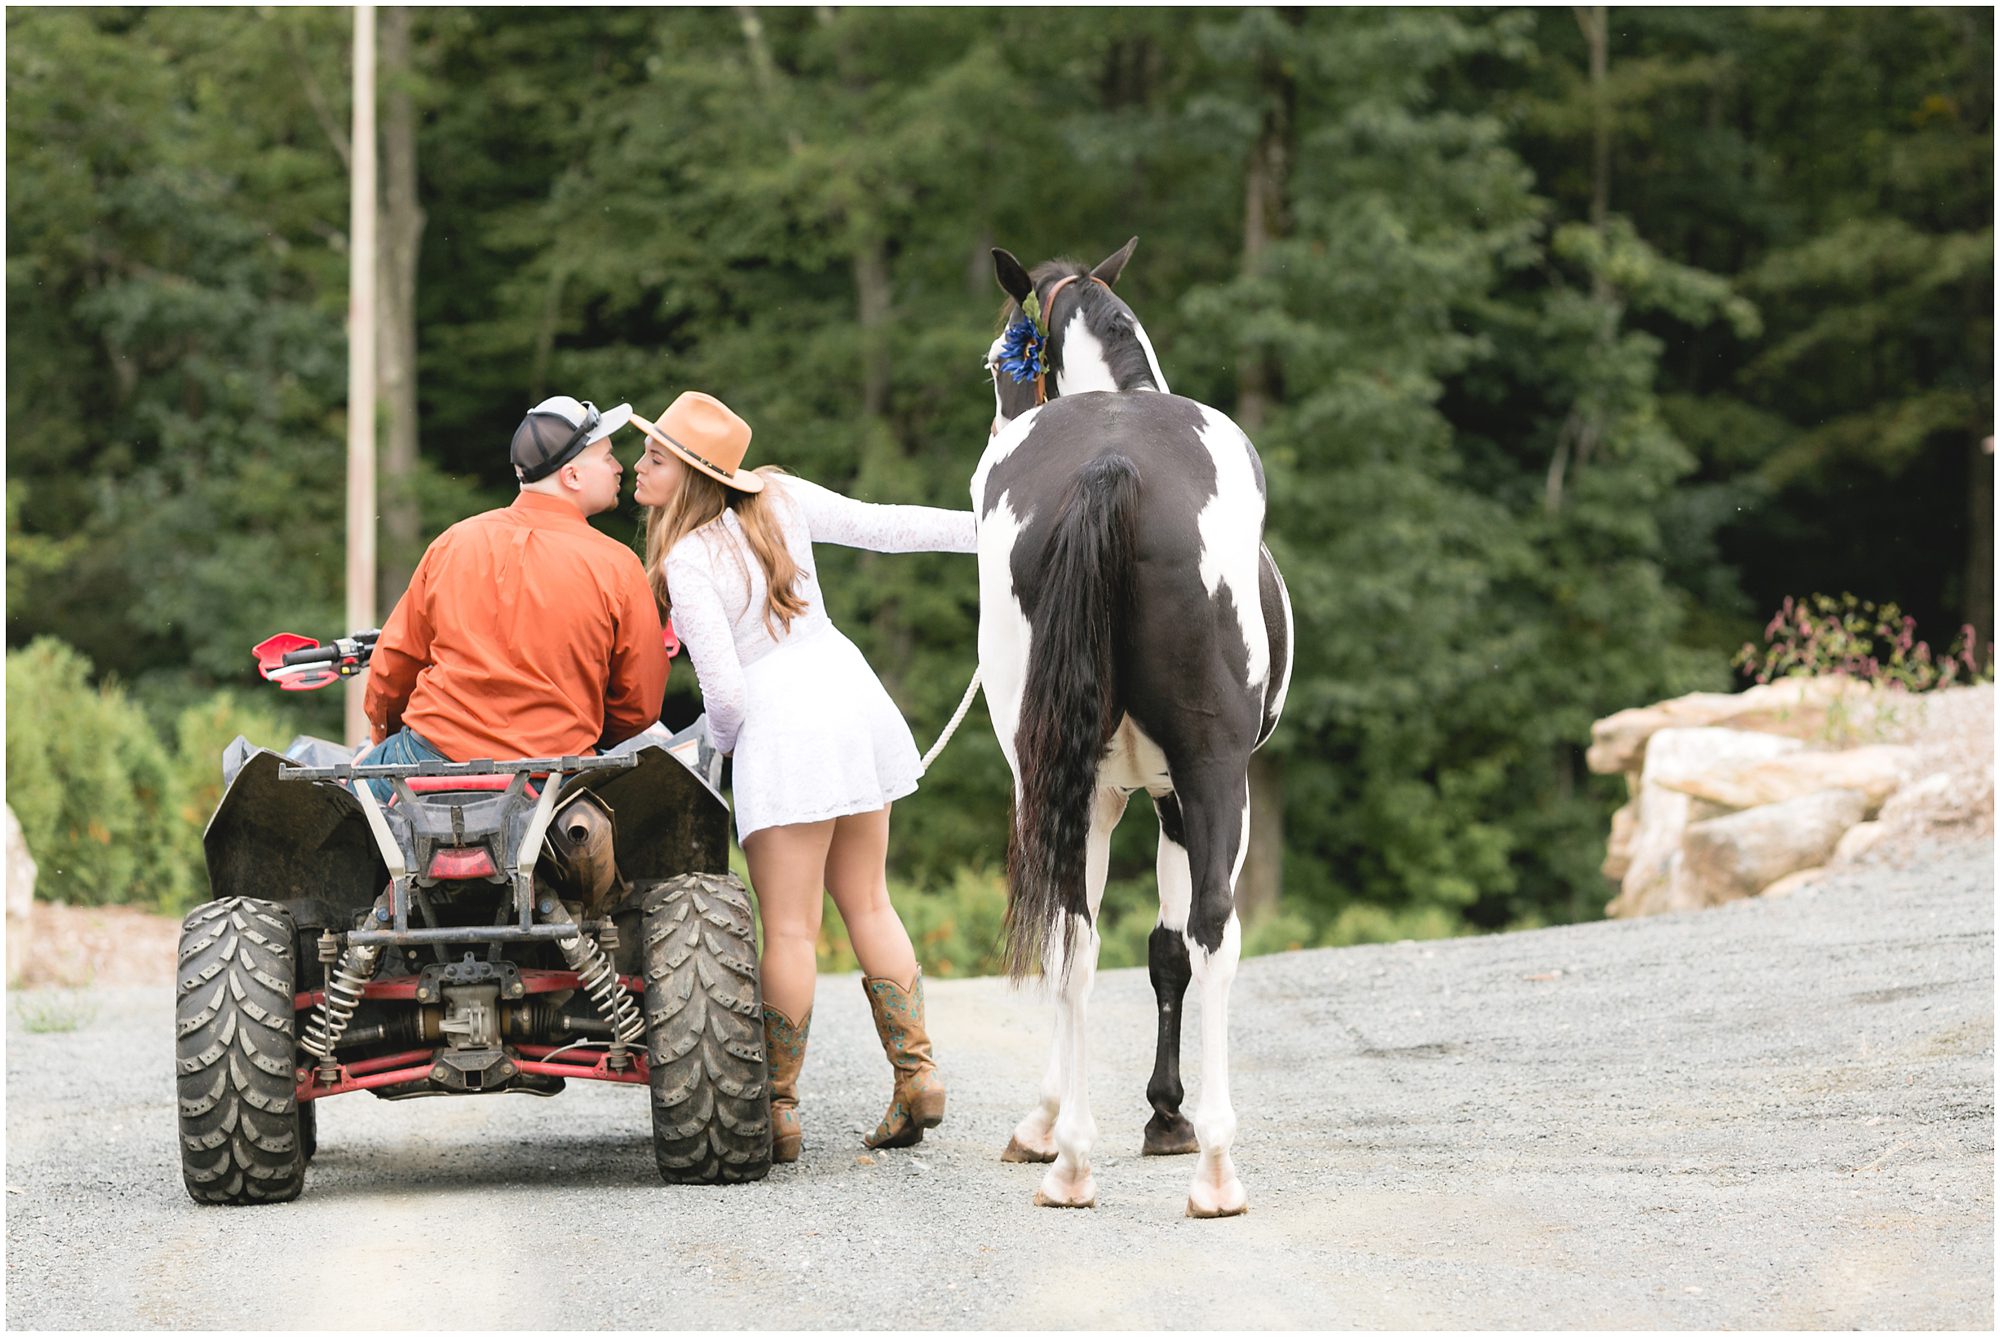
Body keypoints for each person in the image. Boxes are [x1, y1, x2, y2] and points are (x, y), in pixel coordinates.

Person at [630, 389, 976, 1162]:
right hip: (850, 698)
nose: (635, 465)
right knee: (872, 902)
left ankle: (779, 1109)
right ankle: (917, 1076)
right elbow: (885, 525)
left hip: (783, 726)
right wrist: (994, 531)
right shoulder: (778, 496)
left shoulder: (688, 558)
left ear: (686, 474)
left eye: (651, 457)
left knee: (790, 929)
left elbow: (722, 693)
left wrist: (715, 754)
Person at [359, 396, 669, 792]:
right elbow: (640, 705)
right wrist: (579, 731)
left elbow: (394, 665)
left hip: (430, 760)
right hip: (551, 778)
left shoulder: (454, 541)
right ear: (572, 476)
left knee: (339, 828)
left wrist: (385, 736)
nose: (619, 467)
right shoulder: (618, 566)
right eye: (607, 457)